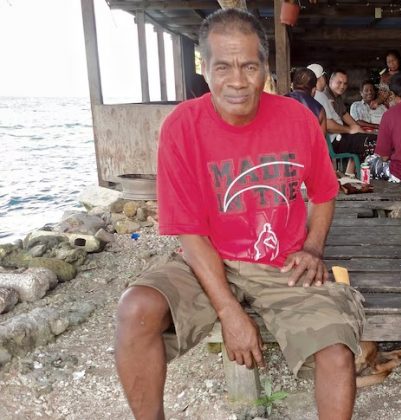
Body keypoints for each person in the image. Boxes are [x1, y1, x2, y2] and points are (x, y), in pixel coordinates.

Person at [114, 9, 365, 420]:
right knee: (135, 308)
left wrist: (314, 248)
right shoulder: (181, 126)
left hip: (282, 265)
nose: (237, 80)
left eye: (249, 66)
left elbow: (324, 192)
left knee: (336, 350)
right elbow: (189, 232)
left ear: (265, 68)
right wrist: (230, 312)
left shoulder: (297, 119)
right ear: (205, 69)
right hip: (207, 260)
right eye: (223, 67)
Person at [315, 70, 376, 176]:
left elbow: (345, 115)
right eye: (339, 82)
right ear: (330, 81)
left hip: (339, 136)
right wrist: (350, 130)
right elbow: (328, 126)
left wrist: (358, 130)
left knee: (363, 138)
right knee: (371, 142)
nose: (342, 86)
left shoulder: (337, 97)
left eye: (345, 83)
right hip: (332, 140)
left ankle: (349, 174)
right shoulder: (324, 96)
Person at [286, 67, 327, 134]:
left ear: (292, 86)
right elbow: (321, 140)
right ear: (314, 90)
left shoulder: (279, 102)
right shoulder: (320, 110)